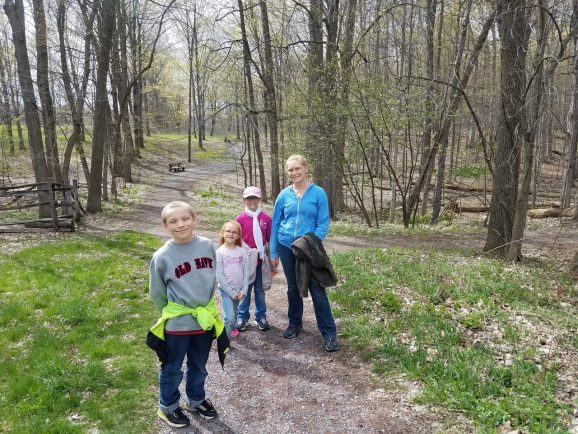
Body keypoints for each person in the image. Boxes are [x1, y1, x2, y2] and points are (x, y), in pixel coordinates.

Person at [149, 201, 220, 428]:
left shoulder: (208, 246)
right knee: (172, 366)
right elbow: (158, 293)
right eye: (173, 221)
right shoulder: (162, 256)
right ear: (165, 226)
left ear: (194, 219)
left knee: (199, 364)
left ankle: (195, 399)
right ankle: (167, 407)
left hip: (204, 319)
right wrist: (173, 314)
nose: (180, 224)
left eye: (185, 219)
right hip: (178, 323)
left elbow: (212, 277)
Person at [270, 155, 339, 352]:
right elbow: (275, 224)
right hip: (285, 246)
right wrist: (273, 251)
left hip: (307, 249)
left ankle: (329, 334)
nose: (294, 173)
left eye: (297, 168)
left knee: (317, 289)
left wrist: (309, 242)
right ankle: (295, 324)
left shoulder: (318, 193)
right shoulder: (283, 195)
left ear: (305, 168)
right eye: (290, 170)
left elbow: (323, 222)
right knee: (292, 288)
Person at [235, 186, 272, 332]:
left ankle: (261, 316)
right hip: (245, 261)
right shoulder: (240, 219)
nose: (252, 201)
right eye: (249, 198)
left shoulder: (266, 219)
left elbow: (269, 239)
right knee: (245, 289)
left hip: (260, 261)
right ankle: (242, 317)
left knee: (260, 290)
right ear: (244, 200)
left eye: (255, 198)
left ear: (259, 199)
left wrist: (272, 257)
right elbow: (236, 240)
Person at [216, 220, 248, 339]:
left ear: (238, 235)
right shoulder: (219, 253)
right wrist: (232, 292)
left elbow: (246, 273)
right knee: (230, 317)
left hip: (239, 291)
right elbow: (219, 276)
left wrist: (244, 290)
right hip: (226, 291)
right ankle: (224, 341)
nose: (231, 234)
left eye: (234, 232)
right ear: (223, 233)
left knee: (233, 316)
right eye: (228, 231)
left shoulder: (242, 252)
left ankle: (228, 331)